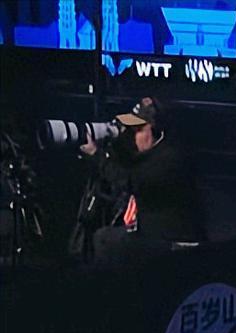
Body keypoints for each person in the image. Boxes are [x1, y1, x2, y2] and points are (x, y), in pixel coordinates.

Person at [80, 97, 206, 264]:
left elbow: (129, 181)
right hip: (156, 233)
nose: (132, 136)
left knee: (103, 239)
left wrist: (96, 155)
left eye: (138, 130)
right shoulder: (155, 152)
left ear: (156, 130)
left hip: (176, 242)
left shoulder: (171, 159)